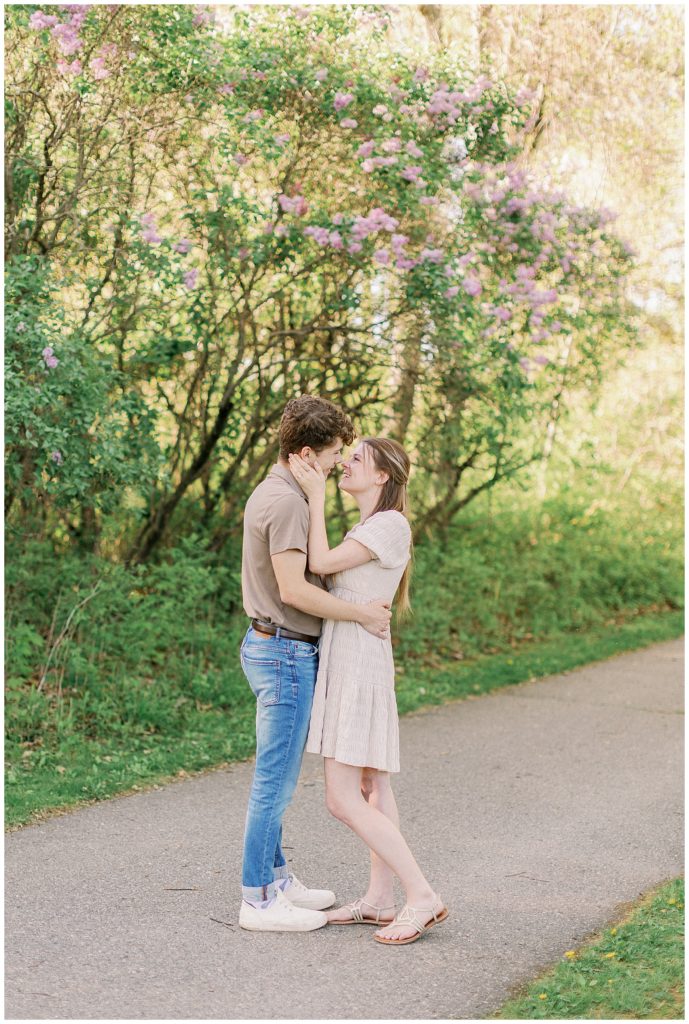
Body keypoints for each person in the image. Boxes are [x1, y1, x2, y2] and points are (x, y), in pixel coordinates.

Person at [238, 396, 393, 933]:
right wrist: (361, 614)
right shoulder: (286, 502)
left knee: (277, 776)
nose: (337, 463)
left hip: (281, 647)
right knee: (274, 782)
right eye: (332, 455)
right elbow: (293, 590)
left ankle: (277, 879)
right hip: (282, 651)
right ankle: (258, 899)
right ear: (306, 453)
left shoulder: (285, 492)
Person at [288, 437, 448, 946]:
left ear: (382, 476)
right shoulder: (370, 526)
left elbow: (319, 562)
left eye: (357, 458)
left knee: (341, 798)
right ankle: (380, 900)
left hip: (357, 662)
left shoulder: (389, 524)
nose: (346, 463)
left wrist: (315, 493)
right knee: (372, 787)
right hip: (353, 656)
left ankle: (421, 894)